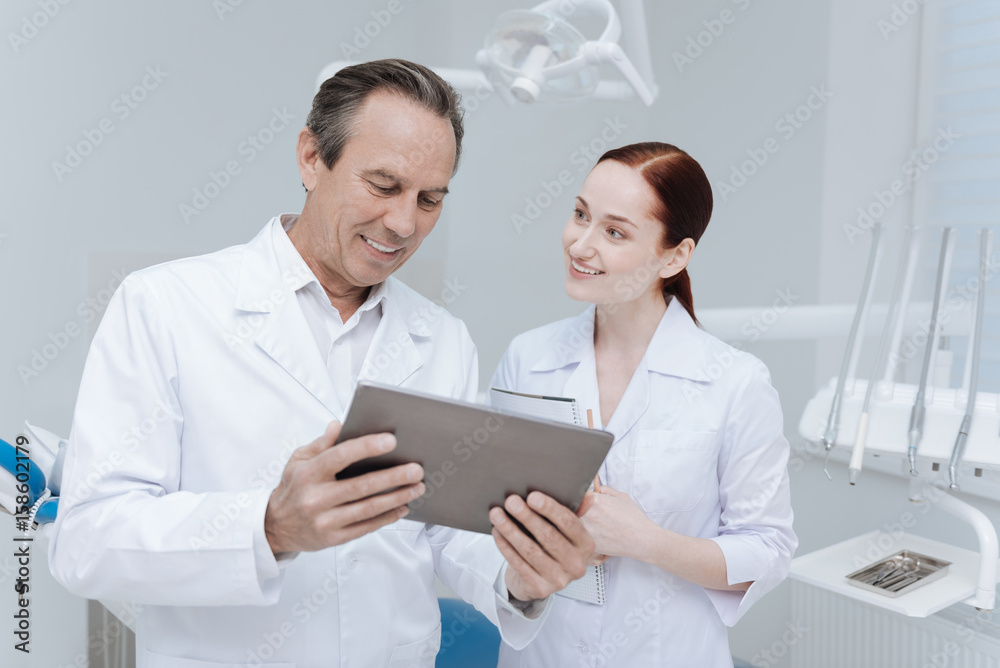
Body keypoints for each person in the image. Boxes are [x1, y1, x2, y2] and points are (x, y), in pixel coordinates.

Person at [48, 59, 593, 668]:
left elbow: (442, 531)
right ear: (311, 158)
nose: (404, 223)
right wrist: (269, 527)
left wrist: (523, 574)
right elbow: (86, 541)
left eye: (430, 198)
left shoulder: (442, 339)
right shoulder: (166, 306)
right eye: (383, 186)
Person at [490, 142, 798, 667]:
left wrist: (647, 541)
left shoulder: (735, 382)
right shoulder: (529, 358)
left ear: (674, 255)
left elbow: (768, 552)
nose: (580, 245)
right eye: (580, 215)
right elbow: (493, 515)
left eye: (614, 232)